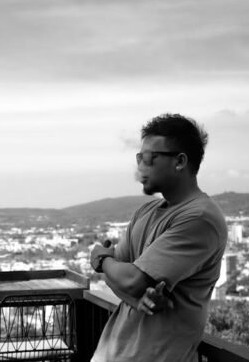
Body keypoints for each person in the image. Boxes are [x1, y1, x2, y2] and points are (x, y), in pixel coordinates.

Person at [89, 113, 228, 362]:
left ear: (180, 161)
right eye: (139, 157)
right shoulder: (147, 211)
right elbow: (119, 280)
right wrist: (134, 293)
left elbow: (129, 279)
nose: (141, 166)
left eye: (149, 157)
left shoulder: (199, 218)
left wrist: (100, 259)